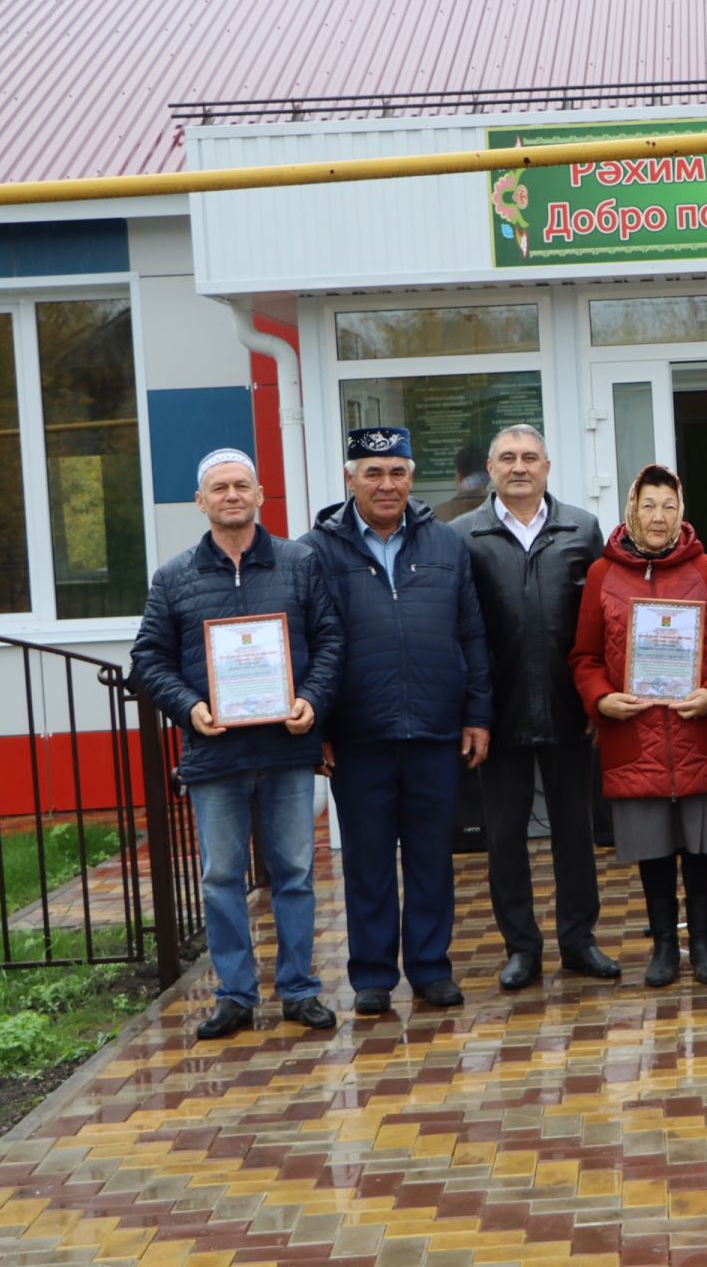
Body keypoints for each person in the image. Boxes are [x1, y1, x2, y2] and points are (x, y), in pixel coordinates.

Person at [131, 448, 343, 1039]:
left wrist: (313, 701)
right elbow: (147, 659)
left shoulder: (300, 564)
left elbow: (331, 642)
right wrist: (190, 708)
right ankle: (235, 995)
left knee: (296, 873)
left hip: (287, 748)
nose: (231, 495)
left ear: (259, 495)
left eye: (241, 485)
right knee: (222, 877)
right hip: (216, 754)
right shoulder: (174, 577)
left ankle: (299, 990)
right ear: (201, 501)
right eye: (219, 487)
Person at [301, 426, 493, 1015]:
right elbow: (306, 647)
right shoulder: (315, 551)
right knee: (367, 861)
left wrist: (477, 714)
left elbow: (472, 635)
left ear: (412, 476)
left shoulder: (446, 544)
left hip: (436, 729)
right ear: (350, 478)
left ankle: (432, 969)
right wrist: (319, 730)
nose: (387, 485)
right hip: (358, 735)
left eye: (398, 472)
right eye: (373, 472)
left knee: (433, 858)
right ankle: (373, 977)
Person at [451, 424, 620, 988]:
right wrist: (469, 710)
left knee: (576, 830)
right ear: (491, 469)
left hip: (571, 707)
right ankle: (521, 947)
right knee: (504, 837)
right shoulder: (463, 536)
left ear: (547, 466)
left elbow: (604, 623)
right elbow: (459, 629)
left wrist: (600, 701)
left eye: (530, 457)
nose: (519, 466)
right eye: (507, 458)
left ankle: (579, 941)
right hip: (496, 712)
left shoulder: (582, 528)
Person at [569, 464, 707, 987]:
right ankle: (664, 947)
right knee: (652, 847)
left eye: (669, 506)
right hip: (635, 733)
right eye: (649, 505)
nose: (659, 516)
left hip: (698, 731)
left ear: (681, 513)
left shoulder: (704, 570)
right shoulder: (604, 574)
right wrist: (601, 699)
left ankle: (704, 946)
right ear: (631, 510)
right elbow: (583, 655)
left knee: (701, 846)